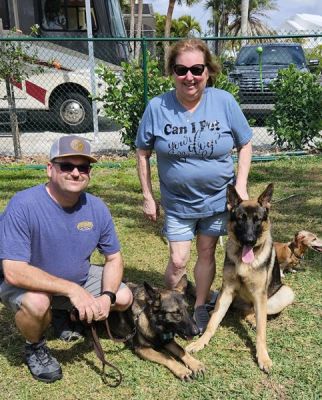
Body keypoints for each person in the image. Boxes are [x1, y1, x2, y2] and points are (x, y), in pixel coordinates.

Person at [135, 39, 252, 334]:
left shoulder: (224, 102)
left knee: (206, 252)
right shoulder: (157, 107)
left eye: (197, 69)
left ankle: (199, 305)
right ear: (172, 72)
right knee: (177, 260)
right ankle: (171, 302)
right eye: (181, 69)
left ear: (208, 71)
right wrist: (148, 196)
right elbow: (142, 152)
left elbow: (246, 143)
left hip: (217, 201)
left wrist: (240, 183)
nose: (190, 76)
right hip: (177, 202)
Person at [0, 135, 133, 383]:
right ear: (50, 169)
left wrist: (107, 297)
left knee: (124, 296)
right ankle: (35, 346)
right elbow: (14, 271)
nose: (75, 173)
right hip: (27, 281)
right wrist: (72, 290)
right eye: (66, 166)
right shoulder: (23, 205)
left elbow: (114, 258)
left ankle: (66, 316)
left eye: (83, 167)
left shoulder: (97, 208)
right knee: (38, 303)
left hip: (76, 278)